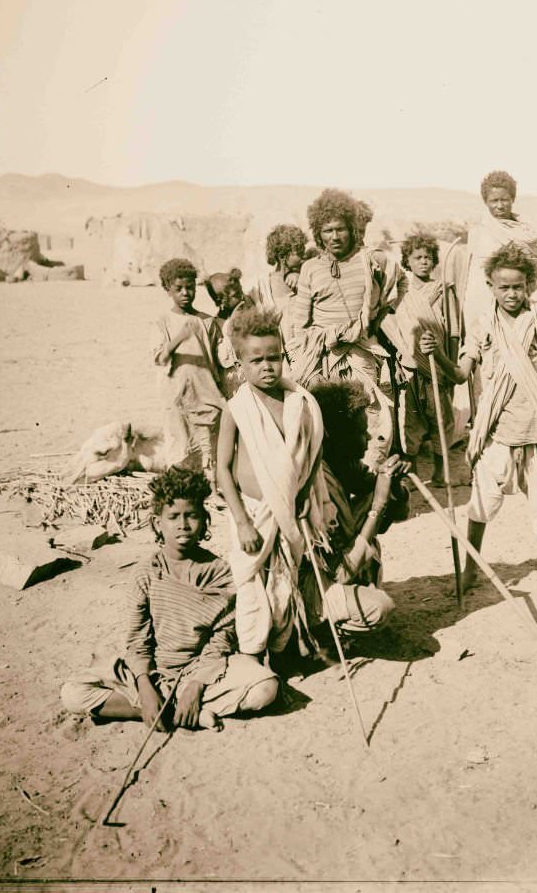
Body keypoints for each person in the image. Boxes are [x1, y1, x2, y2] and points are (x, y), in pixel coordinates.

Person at [421, 241, 537, 595]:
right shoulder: (483, 327)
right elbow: (461, 374)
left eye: (518, 286)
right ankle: (470, 568)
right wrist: (438, 356)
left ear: (530, 285)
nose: (511, 294)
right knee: (480, 503)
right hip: (497, 432)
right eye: (504, 287)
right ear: (490, 287)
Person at [60, 467, 279, 730]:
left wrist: (196, 685)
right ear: (157, 523)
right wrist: (144, 686)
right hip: (154, 669)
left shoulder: (219, 571)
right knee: (73, 693)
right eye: (173, 516)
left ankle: (176, 707)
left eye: (192, 516)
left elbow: (222, 639)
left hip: (204, 669)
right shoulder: (146, 572)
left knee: (266, 688)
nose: (183, 525)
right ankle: (173, 711)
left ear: (205, 521)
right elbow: (137, 640)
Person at [216, 307, 330, 658]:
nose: (267, 366)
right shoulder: (236, 409)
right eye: (256, 360)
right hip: (254, 514)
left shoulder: (300, 402)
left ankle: (282, 652)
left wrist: (305, 497)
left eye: (274, 357)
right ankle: (251, 655)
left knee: (285, 581)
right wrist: (242, 521)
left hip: (292, 509)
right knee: (252, 587)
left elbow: (312, 454)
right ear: (239, 364)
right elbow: (222, 468)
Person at [288, 188, 408, 470]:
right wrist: (306, 354)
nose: (334, 236)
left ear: (352, 229)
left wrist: (378, 316)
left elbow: (401, 282)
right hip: (319, 356)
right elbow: (299, 322)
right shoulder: (310, 268)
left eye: (340, 229)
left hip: (361, 353)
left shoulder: (370, 261)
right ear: (318, 233)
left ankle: (371, 481)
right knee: (321, 420)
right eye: (327, 230)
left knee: (371, 418)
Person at [300, 379, 409, 653]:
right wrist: (379, 503)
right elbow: (341, 572)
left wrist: (395, 485)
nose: (369, 439)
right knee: (379, 607)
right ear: (336, 435)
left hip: (340, 571)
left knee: (370, 528)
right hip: (314, 587)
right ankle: (322, 634)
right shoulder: (318, 483)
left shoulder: (344, 463)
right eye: (361, 433)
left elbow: (401, 513)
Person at [382, 232, 455, 486]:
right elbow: (392, 323)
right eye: (417, 257)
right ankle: (410, 474)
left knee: (441, 419)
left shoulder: (443, 290)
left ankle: (440, 471)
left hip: (438, 362)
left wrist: (451, 364)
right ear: (407, 261)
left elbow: (453, 329)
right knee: (410, 420)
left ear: (434, 261)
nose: (423, 261)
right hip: (411, 365)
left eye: (428, 257)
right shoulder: (402, 292)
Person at [152, 258, 226, 496]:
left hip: (206, 393)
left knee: (208, 446)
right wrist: (180, 337)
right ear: (168, 290)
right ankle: (181, 493)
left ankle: (210, 491)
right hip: (177, 396)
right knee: (181, 445)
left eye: (190, 287)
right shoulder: (162, 321)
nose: (186, 293)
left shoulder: (207, 321)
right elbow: (160, 358)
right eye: (179, 289)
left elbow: (218, 358)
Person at [464, 171, 537, 337]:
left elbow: (535, 271)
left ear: (512, 199)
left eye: (504, 200)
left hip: (516, 300)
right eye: (494, 201)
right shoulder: (479, 231)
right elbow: (472, 273)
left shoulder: (526, 233)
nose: (500, 205)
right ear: (486, 202)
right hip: (482, 301)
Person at [250, 225, 307, 346]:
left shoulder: (304, 278)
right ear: (282, 256)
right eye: (299, 252)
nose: (304, 256)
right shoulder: (262, 287)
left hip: (305, 351)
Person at [204, 267, 255, 400]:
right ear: (220, 301)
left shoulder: (249, 317)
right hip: (230, 390)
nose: (241, 297)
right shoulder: (215, 327)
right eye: (235, 295)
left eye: (240, 292)